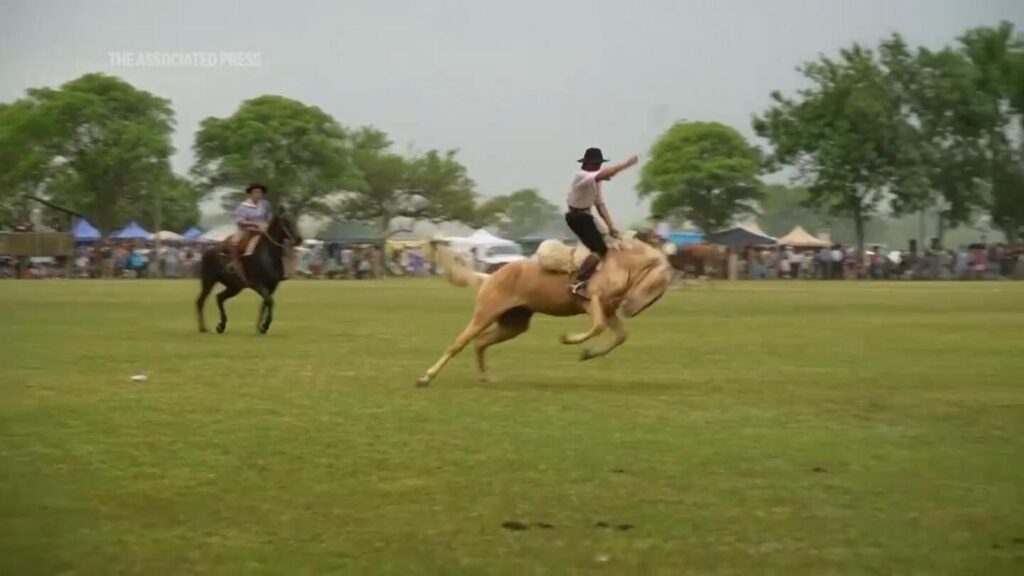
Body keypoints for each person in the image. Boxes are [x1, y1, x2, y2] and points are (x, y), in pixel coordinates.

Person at [565, 147, 639, 298]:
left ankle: (603, 277)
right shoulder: (581, 176)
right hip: (577, 218)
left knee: (610, 241)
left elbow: (599, 204)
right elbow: (604, 174)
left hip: (587, 216)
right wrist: (626, 165)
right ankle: (578, 282)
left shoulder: (595, 181)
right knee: (600, 250)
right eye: (597, 164)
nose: (599, 166)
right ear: (589, 164)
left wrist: (611, 226)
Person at [224, 183, 272, 281]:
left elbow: (269, 217)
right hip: (247, 230)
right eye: (256, 192)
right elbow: (240, 221)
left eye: (260, 192)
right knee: (234, 241)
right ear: (250, 194)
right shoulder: (243, 206)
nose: (258, 194)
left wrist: (268, 224)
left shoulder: (265, 204)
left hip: (264, 230)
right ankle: (236, 263)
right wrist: (254, 224)